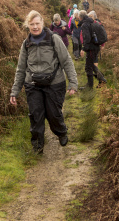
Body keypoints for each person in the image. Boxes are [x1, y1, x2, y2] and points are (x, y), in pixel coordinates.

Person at [10, 10, 78, 154]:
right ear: (28, 25)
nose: (35, 27)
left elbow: (66, 61)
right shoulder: (26, 44)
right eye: (32, 24)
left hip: (55, 83)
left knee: (53, 113)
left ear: (42, 23)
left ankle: (61, 132)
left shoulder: (54, 39)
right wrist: (15, 91)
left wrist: (73, 83)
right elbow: (21, 68)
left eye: (37, 23)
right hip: (33, 85)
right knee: (36, 115)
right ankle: (37, 146)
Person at [79, 11, 107, 88]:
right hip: (95, 47)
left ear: (80, 17)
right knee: (91, 65)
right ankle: (99, 81)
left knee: (89, 67)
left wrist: (83, 49)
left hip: (92, 48)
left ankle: (92, 85)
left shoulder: (85, 24)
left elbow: (87, 38)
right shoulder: (92, 22)